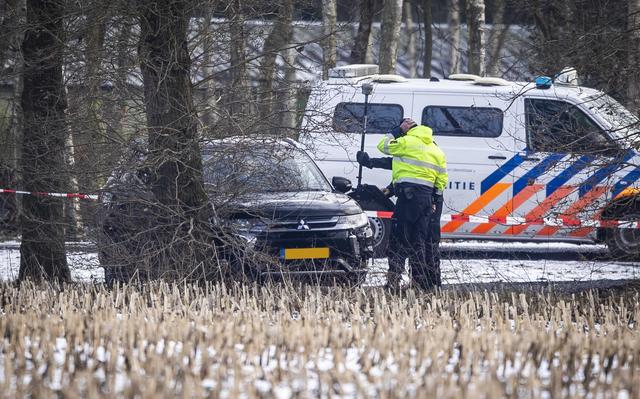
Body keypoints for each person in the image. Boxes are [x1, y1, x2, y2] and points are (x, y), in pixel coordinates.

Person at [356, 118, 447, 289]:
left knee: (398, 239)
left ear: (407, 130)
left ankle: (393, 281)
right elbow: (436, 177)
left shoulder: (406, 141)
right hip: (427, 202)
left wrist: (397, 130)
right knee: (420, 242)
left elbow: (384, 145)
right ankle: (422, 283)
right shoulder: (435, 149)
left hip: (408, 199)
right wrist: (434, 199)